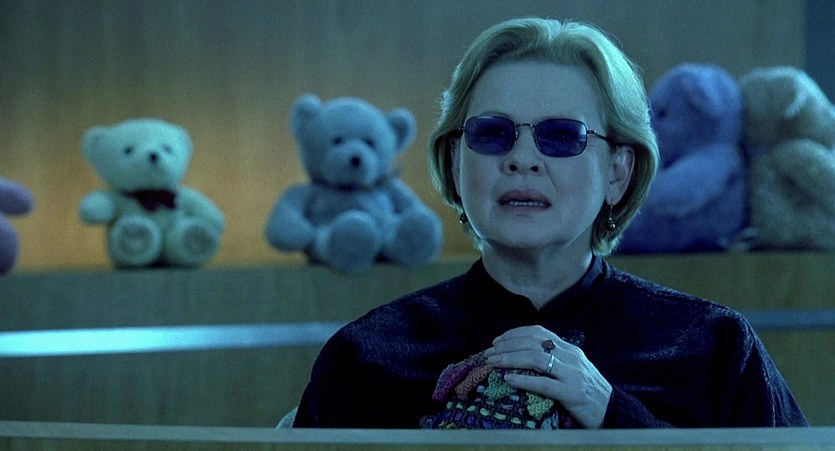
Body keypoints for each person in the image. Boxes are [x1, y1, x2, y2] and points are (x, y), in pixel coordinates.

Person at [292, 17, 808, 429]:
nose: (522, 160)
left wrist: (612, 413)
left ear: (617, 172)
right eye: (492, 133)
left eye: (561, 136)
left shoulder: (715, 348)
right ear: (455, 162)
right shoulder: (367, 356)